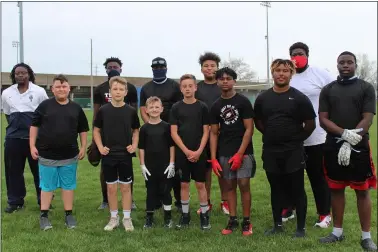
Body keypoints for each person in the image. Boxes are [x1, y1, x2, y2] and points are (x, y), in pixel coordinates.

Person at [318, 51, 377, 251]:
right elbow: (323, 119)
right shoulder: (328, 89)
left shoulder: (366, 88)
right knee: (336, 189)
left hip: (359, 145)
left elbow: (368, 118)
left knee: (362, 191)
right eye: (342, 62)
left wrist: (354, 137)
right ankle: (337, 232)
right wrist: (344, 134)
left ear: (355, 65)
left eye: (349, 62)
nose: (345, 65)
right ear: (337, 65)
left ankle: (366, 237)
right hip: (333, 145)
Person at [254, 59, 316, 238]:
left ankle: (301, 228)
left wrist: (296, 140)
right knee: (276, 188)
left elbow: (310, 124)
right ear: (272, 73)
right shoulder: (263, 98)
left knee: (297, 188)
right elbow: (258, 122)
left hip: (293, 152)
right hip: (271, 151)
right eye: (278, 70)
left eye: (286, 71)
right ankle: (277, 225)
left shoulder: (299, 97)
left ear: (291, 74)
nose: (281, 73)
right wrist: (273, 136)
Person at [280, 42, 333, 228]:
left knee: (317, 176)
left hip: (316, 136)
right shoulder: (287, 76)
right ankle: (289, 208)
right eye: (293, 54)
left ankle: (324, 214)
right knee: (291, 176)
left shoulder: (321, 74)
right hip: (292, 138)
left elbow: (333, 97)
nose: (297, 57)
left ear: (307, 55)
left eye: (300, 53)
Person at [29, 74, 89, 230]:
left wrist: (83, 147)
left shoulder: (76, 108)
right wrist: (32, 145)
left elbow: (83, 130)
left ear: (69, 88)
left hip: (69, 155)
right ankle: (44, 215)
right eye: (58, 87)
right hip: (47, 154)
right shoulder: (44, 106)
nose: (61, 89)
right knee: (47, 186)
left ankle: (68, 214)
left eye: (64, 87)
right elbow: (34, 126)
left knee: (68, 186)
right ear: (52, 89)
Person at [209, 67, 255, 236]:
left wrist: (240, 153)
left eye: (228, 78)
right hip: (224, 151)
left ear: (234, 81)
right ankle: (233, 220)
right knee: (229, 185)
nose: (225, 81)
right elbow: (213, 133)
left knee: (243, 184)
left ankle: (247, 221)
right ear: (217, 82)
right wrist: (213, 158)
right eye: (221, 79)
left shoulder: (243, 102)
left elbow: (249, 129)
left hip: (244, 151)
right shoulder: (215, 106)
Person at [93, 76, 140, 232]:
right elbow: (96, 130)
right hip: (109, 156)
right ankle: (114, 218)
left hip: (125, 155)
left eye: (121, 89)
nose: (118, 92)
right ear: (110, 91)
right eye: (115, 89)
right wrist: (100, 147)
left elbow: (136, 131)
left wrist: (134, 145)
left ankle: (127, 218)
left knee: (126, 188)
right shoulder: (103, 111)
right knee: (111, 189)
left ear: (125, 92)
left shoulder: (131, 111)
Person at [2, 63, 49, 213]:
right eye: (17, 73)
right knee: (13, 171)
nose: (20, 75)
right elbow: (8, 114)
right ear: (13, 76)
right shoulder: (6, 93)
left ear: (29, 74)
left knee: (39, 171)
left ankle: (44, 200)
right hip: (13, 138)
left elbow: (45, 113)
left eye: (23, 73)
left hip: (35, 140)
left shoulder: (39, 91)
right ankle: (15, 201)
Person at [139, 57, 183, 211]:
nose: (158, 69)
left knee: (174, 166)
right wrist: (149, 124)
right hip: (153, 132)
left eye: (161, 67)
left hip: (171, 130)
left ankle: (177, 199)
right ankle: (156, 199)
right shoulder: (146, 88)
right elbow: (143, 109)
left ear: (166, 67)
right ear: (152, 68)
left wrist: (173, 128)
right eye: (155, 67)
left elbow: (179, 108)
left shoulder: (174, 86)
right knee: (153, 165)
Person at [170, 74, 211, 230]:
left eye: (190, 86)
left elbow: (206, 131)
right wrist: (186, 151)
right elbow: (174, 132)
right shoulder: (176, 108)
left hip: (199, 153)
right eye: (184, 86)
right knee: (184, 184)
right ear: (181, 89)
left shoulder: (202, 107)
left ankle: (204, 216)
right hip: (183, 153)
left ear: (195, 87)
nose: (187, 89)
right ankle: (185, 215)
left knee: (201, 184)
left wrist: (199, 151)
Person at [195, 52, 229, 215]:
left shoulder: (222, 85)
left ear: (217, 67)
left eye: (212, 66)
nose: (209, 68)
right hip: (203, 135)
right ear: (201, 69)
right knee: (206, 169)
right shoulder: (197, 87)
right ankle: (206, 201)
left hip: (222, 134)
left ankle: (226, 201)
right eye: (206, 66)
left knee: (222, 169)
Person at [138, 96, 175, 228]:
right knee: (151, 191)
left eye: (157, 107)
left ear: (162, 109)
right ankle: (149, 218)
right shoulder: (144, 128)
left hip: (165, 166)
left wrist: (172, 163)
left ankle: (168, 218)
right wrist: (142, 165)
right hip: (150, 166)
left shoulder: (167, 127)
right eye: (151, 107)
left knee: (165, 191)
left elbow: (172, 146)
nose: (154, 109)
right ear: (146, 110)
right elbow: (141, 148)